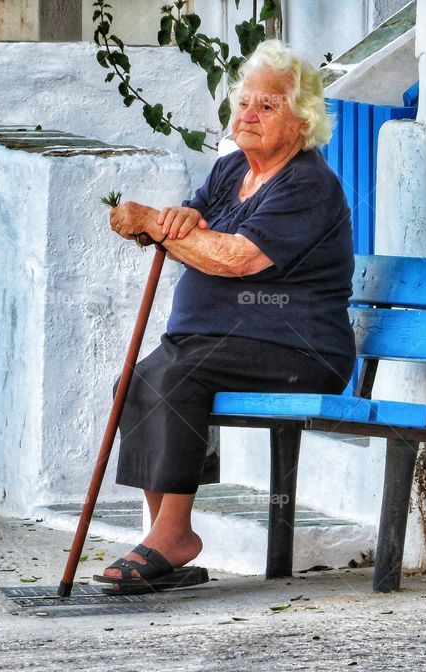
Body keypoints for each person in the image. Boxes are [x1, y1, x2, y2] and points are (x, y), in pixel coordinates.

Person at [97, 39, 355, 592]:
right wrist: (176, 219)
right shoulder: (232, 168)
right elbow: (195, 219)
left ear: (302, 120)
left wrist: (156, 226)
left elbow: (237, 258)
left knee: (180, 374)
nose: (249, 114)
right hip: (217, 342)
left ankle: (173, 536)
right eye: (245, 102)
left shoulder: (309, 185)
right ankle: (164, 533)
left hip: (300, 351)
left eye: (269, 105)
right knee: (139, 377)